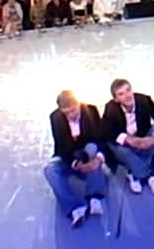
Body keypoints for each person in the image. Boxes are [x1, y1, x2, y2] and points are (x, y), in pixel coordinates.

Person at [43, 90, 108, 228]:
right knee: (50, 170)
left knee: (92, 148)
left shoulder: (91, 111)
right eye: (66, 113)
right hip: (68, 155)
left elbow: (100, 138)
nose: (70, 115)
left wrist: (98, 160)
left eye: (73, 110)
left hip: (87, 151)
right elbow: (61, 146)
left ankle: (95, 196)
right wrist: (75, 163)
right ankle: (74, 208)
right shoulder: (55, 117)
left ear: (78, 104)